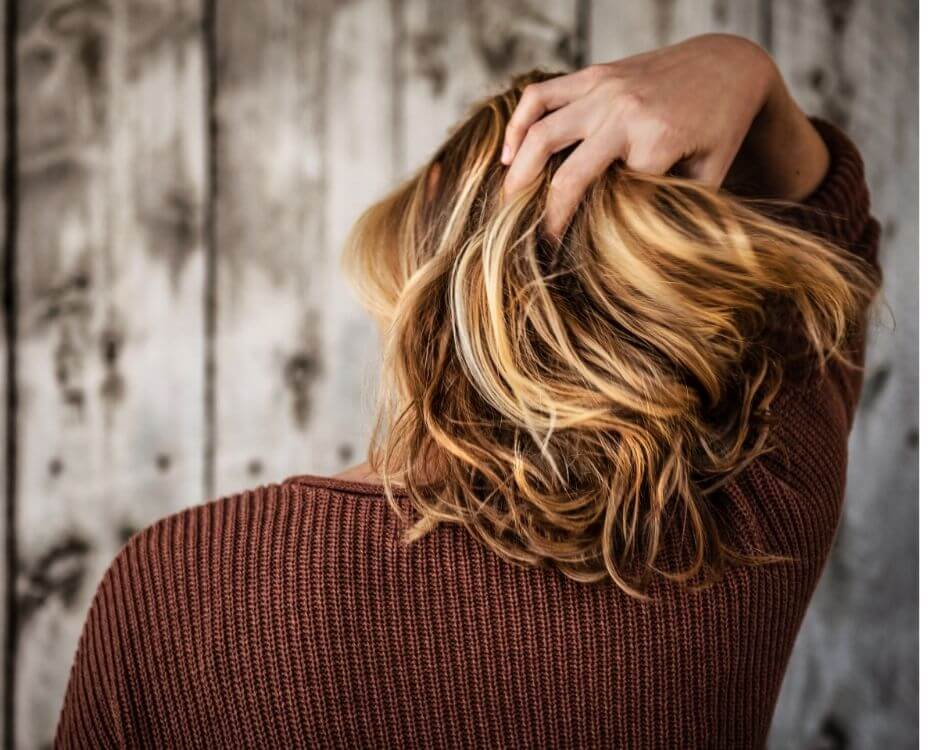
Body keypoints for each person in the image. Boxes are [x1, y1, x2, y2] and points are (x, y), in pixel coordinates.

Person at [55, 33, 881, 748]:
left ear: (426, 229)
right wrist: (743, 72)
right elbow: (834, 247)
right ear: (664, 275)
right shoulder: (747, 524)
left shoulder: (176, 586)